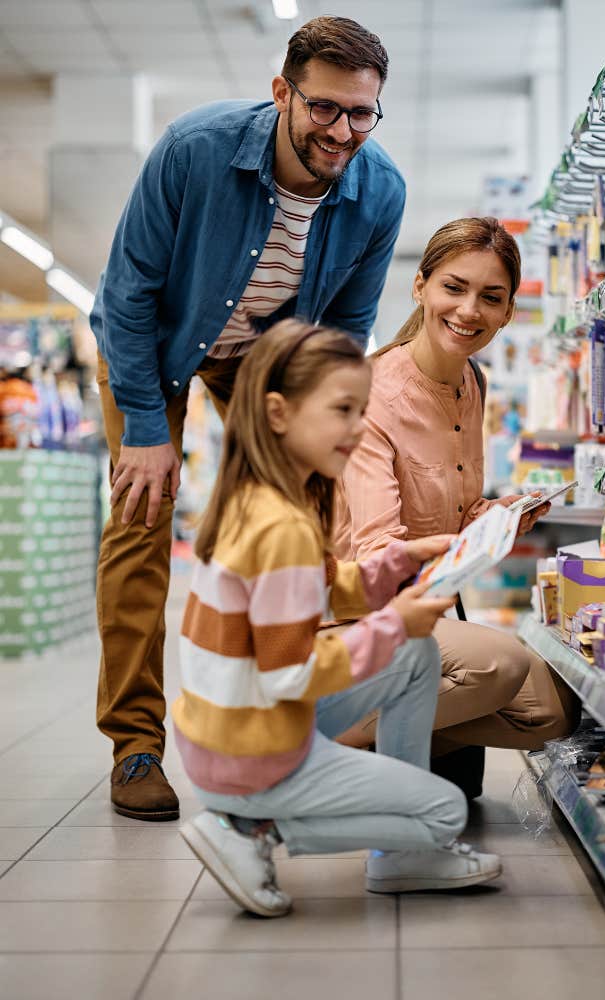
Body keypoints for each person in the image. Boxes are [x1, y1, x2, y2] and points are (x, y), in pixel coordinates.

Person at [90, 16, 406, 821]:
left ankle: (291, 712)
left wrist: (328, 432)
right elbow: (125, 297)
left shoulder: (380, 192)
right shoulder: (195, 150)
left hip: (267, 360)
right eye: (325, 109)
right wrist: (150, 434)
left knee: (301, 513)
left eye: (361, 113)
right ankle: (135, 747)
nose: (342, 132)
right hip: (153, 344)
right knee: (139, 518)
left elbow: (344, 333)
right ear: (282, 94)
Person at [175, 320, 501, 917]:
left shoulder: (264, 499)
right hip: (252, 750)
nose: (358, 429)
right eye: (344, 411)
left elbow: (320, 594)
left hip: (225, 729)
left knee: (415, 657)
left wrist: (395, 564)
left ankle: (390, 852)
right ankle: (254, 830)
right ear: (278, 413)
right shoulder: (283, 528)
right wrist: (394, 621)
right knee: (445, 810)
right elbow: (289, 674)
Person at [334, 218, 581, 794]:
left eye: (490, 297)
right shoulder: (369, 396)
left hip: (418, 610)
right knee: (499, 664)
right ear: (420, 287)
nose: (469, 310)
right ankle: (307, 739)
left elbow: (456, 512)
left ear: (508, 312)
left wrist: (500, 516)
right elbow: (376, 555)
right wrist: (470, 540)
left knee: (552, 710)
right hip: (347, 616)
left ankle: (387, 752)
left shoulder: (473, 382)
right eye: (454, 287)